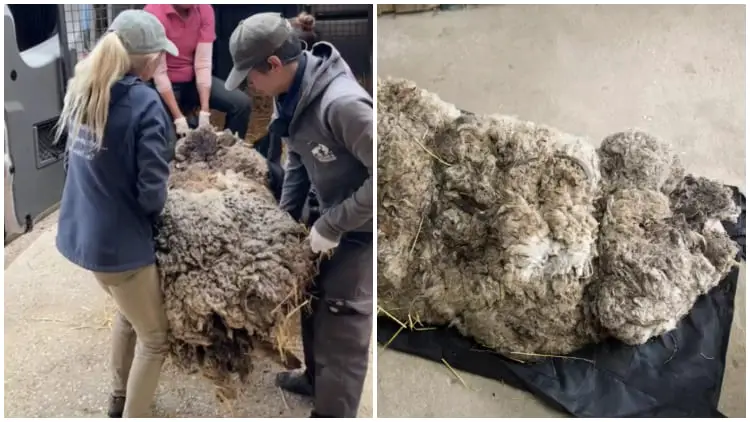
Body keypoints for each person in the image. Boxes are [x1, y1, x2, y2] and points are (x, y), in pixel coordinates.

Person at [224, 12, 373, 419]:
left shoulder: (342, 105)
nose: (249, 87)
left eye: (250, 76)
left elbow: (391, 178)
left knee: (342, 317)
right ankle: (314, 379)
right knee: (310, 300)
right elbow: (297, 161)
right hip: (323, 212)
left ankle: (334, 411)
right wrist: (284, 220)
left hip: (359, 228)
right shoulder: (289, 96)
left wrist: (332, 224)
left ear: (273, 65)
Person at [54, 9, 175, 418]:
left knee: (130, 312)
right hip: (121, 248)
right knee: (156, 338)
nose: (162, 60)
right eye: (160, 54)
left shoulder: (85, 89)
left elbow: (71, 165)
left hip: (84, 237)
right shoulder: (145, 105)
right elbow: (152, 194)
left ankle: (119, 397)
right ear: (147, 59)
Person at [144, 4, 251, 140]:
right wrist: (178, 117)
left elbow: (203, 63)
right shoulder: (154, 12)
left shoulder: (204, 9)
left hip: (192, 79)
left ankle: (229, 152)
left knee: (241, 104)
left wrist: (205, 111)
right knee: (173, 141)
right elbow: (159, 72)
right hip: (162, 84)